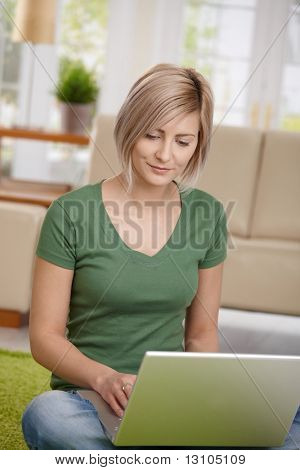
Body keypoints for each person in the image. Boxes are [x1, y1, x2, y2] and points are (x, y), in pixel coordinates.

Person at [21, 63, 300, 450]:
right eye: (153, 135)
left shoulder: (207, 214)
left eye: (183, 142)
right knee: (46, 417)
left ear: (198, 143)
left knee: (288, 414)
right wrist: (104, 379)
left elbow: (201, 337)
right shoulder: (70, 213)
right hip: (90, 401)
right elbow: (44, 338)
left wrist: (206, 402)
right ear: (131, 128)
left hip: (172, 400)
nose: (166, 155)